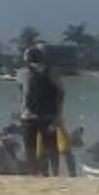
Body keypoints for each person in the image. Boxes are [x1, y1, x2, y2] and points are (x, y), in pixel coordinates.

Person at [19, 46, 67, 176]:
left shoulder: (22, 73)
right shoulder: (52, 72)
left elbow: (23, 94)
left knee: (30, 147)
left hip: (28, 115)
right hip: (48, 115)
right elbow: (61, 93)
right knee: (51, 147)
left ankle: (33, 172)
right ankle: (55, 172)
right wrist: (58, 114)